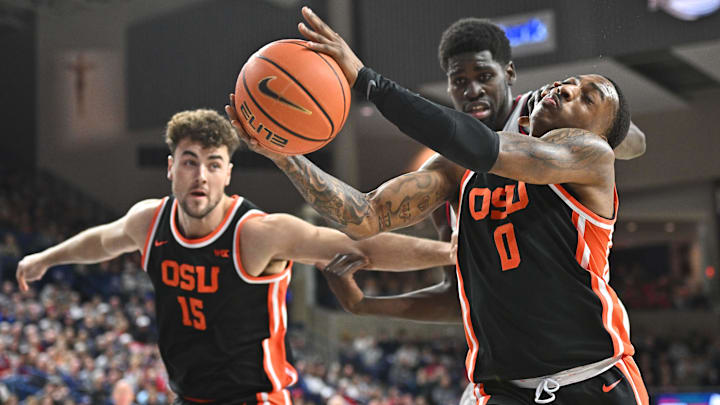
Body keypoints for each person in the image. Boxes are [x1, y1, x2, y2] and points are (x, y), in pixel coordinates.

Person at [228, 7, 650, 404]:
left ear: (510, 75)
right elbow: (366, 215)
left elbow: (624, 140)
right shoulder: (455, 167)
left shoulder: (587, 151)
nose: (471, 89)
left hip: (593, 380)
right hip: (505, 387)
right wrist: (284, 156)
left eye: (483, 75)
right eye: (458, 80)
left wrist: (368, 81)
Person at [15, 109, 454, 405]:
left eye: (212, 163)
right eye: (189, 162)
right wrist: (46, 259)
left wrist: (450, 252)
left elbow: (361, 249)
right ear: (170, 168)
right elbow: (103, 241)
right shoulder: (149, 222)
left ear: (228, 172)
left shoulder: (257, 233)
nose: (200, 176)